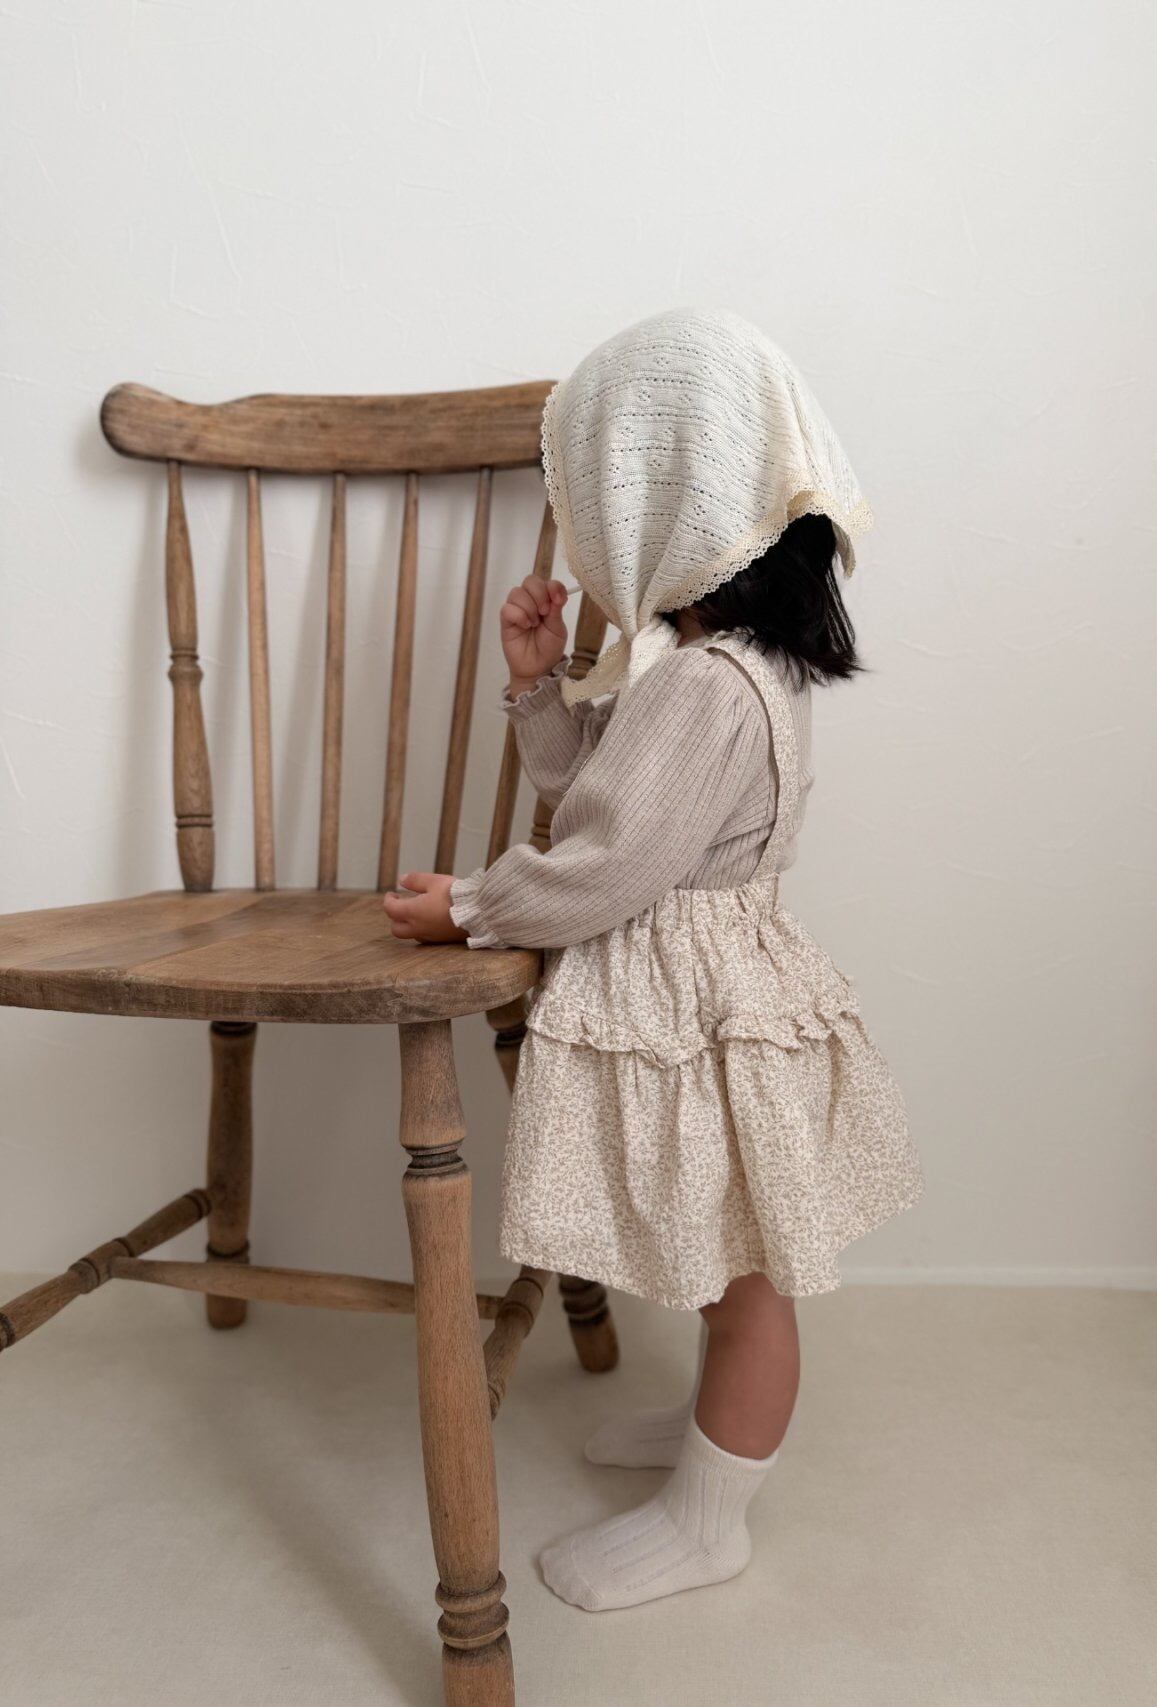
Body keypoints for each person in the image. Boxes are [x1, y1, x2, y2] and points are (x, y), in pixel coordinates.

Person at [384, 307, 924, 1612]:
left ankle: (709, 1519)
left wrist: (473, 905)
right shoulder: (731, 665)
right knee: (721, 1237)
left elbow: (606, 865)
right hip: (717, 984)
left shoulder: (700, 682)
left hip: (693, 995)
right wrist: (538, 687)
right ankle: (710, 1434)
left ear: (663, 504)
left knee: (745, 1281)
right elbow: (612, 809)